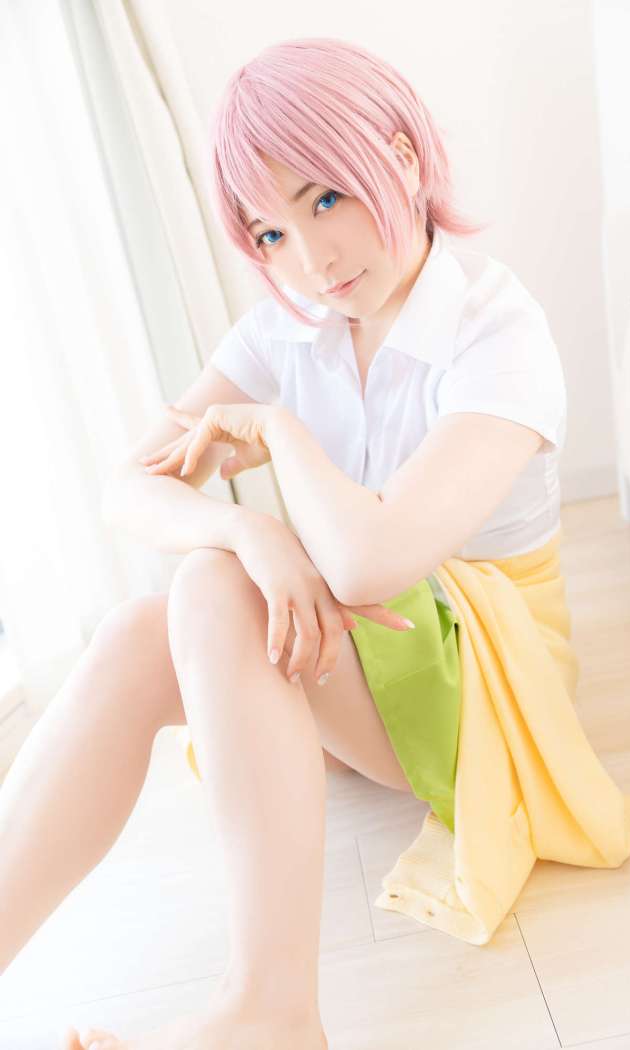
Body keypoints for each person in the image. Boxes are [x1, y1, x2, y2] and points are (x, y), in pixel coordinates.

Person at [0, 36, 570, 1050]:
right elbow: (127, 486)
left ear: (399, 158)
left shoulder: (498, 331)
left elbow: (369, 560)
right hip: (364, 649)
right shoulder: (292, 326)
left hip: (491, 682)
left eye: (324, 199)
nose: (311, 260)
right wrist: (244, 527)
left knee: (214, 589)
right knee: (144, 629)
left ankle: (272, 1011)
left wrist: (276, 434)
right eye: (270, 232)